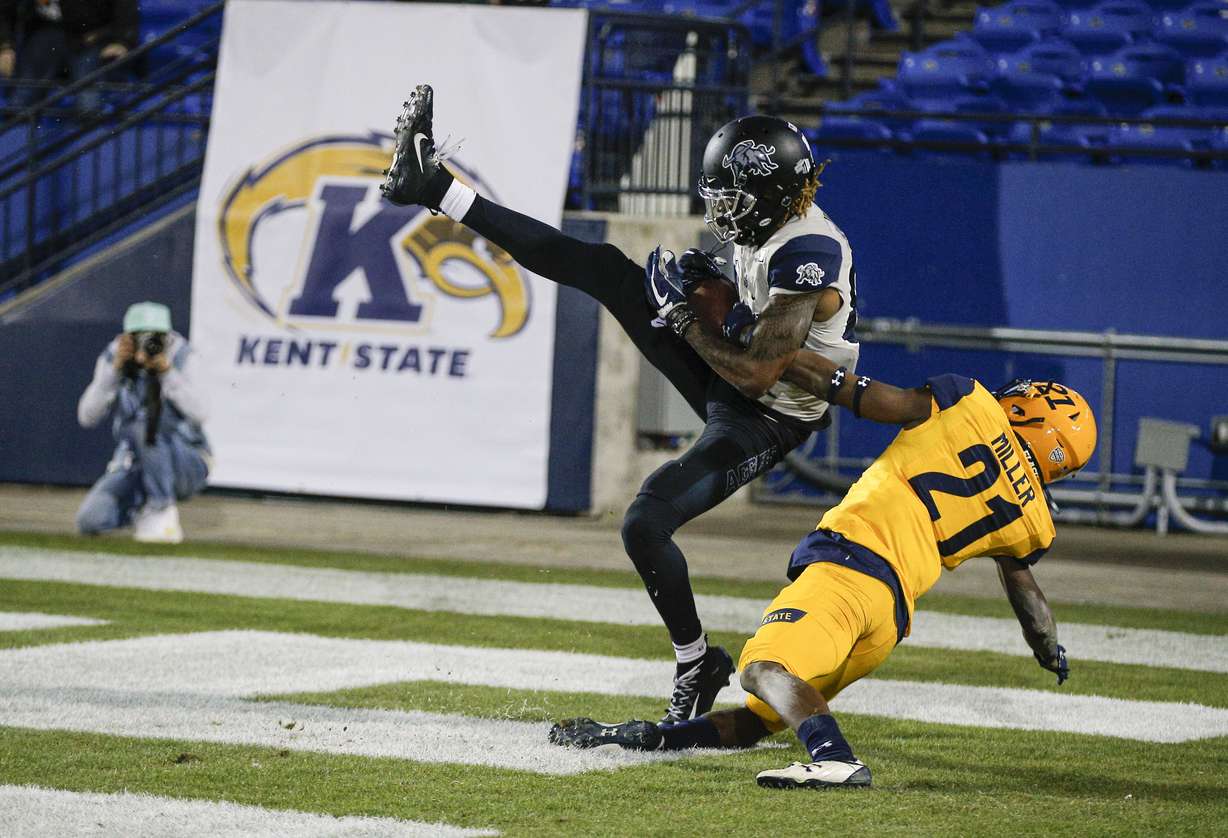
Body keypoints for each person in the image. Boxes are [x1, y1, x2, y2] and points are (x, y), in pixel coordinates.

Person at [381, 85, 862, 722]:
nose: (720, 209)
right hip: (746, 376)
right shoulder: (772, 223)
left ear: (771, 195)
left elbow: (754, 374)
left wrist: (686, 315)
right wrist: (707, 288)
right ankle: (436, 188)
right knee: (607, 268)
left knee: (644, 524)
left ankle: (697, 662)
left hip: (772, 413)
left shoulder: (809, 256)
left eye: (732, 198)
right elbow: (739, 314)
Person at [549, 351, 1097, 790]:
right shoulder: (1033, 521)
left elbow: (867, 397)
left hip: (849, 567)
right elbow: (1027, 595)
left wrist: (784, 357)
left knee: (761, 666)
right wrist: (1049, 650)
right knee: (765, 712)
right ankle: (649, 738)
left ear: (1032, 411)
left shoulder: (968, 403)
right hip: (889, 619)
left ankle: (834, 758)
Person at [76, 301, 210, 544]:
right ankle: (143, 510)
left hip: (185, 461)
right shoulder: (114, 354)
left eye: (155, 337)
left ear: (167, 336)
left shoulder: (182, 355)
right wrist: (114, 372)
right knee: (90, 520)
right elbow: (86, 416)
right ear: (127, 337)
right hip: (136, 461)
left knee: (144, 422)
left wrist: (167, 373)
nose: (147, 344)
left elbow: (202, 413)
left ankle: (161, 507)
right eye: (139, 337)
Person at [0, 0, 138, 110]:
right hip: (44, 35)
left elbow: (125, 6)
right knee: (21, 100)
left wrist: (122, 41)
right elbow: (5, 8)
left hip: (90, 37)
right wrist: (5, 47)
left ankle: (88, 135)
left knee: (89, 104)